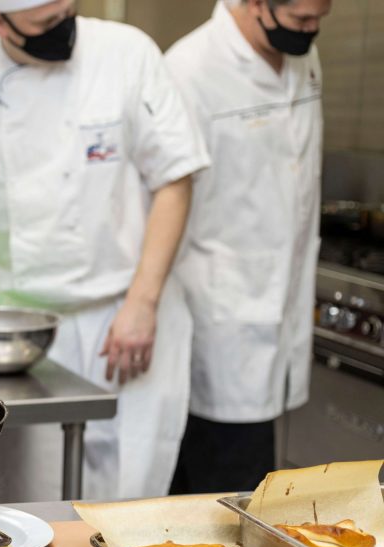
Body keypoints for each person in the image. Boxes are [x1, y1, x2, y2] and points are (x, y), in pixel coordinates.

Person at [0, 0, 209, 501]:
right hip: (24, 337)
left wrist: (143, 301)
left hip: (127, 313)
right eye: (45, 24)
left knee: (126, 497)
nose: (63, 30)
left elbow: (175, 178)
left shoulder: (126, 53)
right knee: (31, 503)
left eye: (67, 12)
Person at [165, 0, 331, 494]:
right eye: (301, 20)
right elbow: (167, 190)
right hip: (218, 311)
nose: (311, 31)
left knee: (247, 474)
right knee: (224, 483)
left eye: (320, 18)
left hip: (282, 298)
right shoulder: (189, 68)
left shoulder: (303, 55)